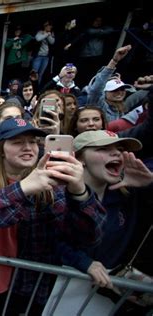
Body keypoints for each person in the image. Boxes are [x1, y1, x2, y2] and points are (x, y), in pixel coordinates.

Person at [0, 118, 106, 315]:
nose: (27, 147)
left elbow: (88, 236)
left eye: (32, 142)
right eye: (17, 142)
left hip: (28, 282)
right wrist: (23, 188)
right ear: (1, 149)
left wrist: (79, 192)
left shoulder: (54, 181)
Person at [57, 130, 152, 315]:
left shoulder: (128, 195)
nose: (116, 153)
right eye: (104, 149)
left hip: (108, 295)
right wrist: (84, 262)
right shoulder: (57, 195)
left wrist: (149, 186)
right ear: (80, 158)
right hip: (60, 290)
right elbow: (47, 240)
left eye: (120, 148)